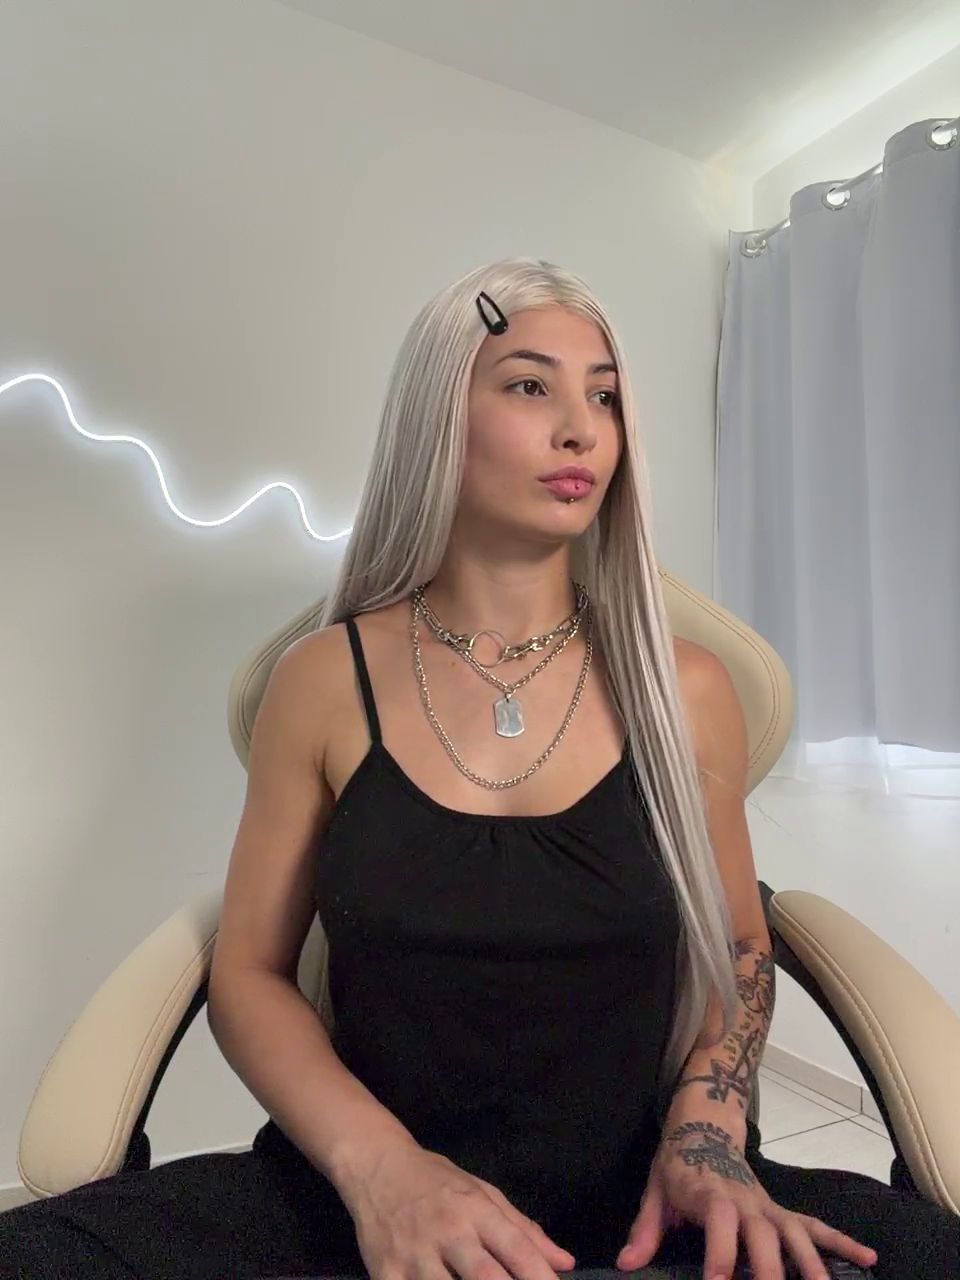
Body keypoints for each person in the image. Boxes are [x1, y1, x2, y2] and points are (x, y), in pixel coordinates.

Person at [1, 258, 957, 1280]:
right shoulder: (322, 681)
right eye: (530, 385)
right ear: (438, 418)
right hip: (355, 1204)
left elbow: (738, 944)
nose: (582, 429)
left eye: (605, 396)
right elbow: (249, 973)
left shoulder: (689, 689)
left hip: (649, 1211)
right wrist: (384, 1173)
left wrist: (708, 1134)